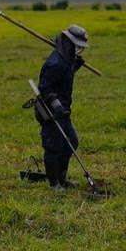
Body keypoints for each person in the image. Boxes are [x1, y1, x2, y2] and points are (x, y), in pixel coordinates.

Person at [36, 24, 90, 191]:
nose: (79, 49)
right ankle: (54, 184)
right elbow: (44, 88)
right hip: (50, 111)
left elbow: (62, 81)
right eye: (77, 46)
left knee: (70, 142)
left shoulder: (65, 61)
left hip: (63, 111)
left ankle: (62, 178)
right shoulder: (56, 63)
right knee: (53, 145)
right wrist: (56, 105)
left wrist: (73, 69)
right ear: (68, 43)